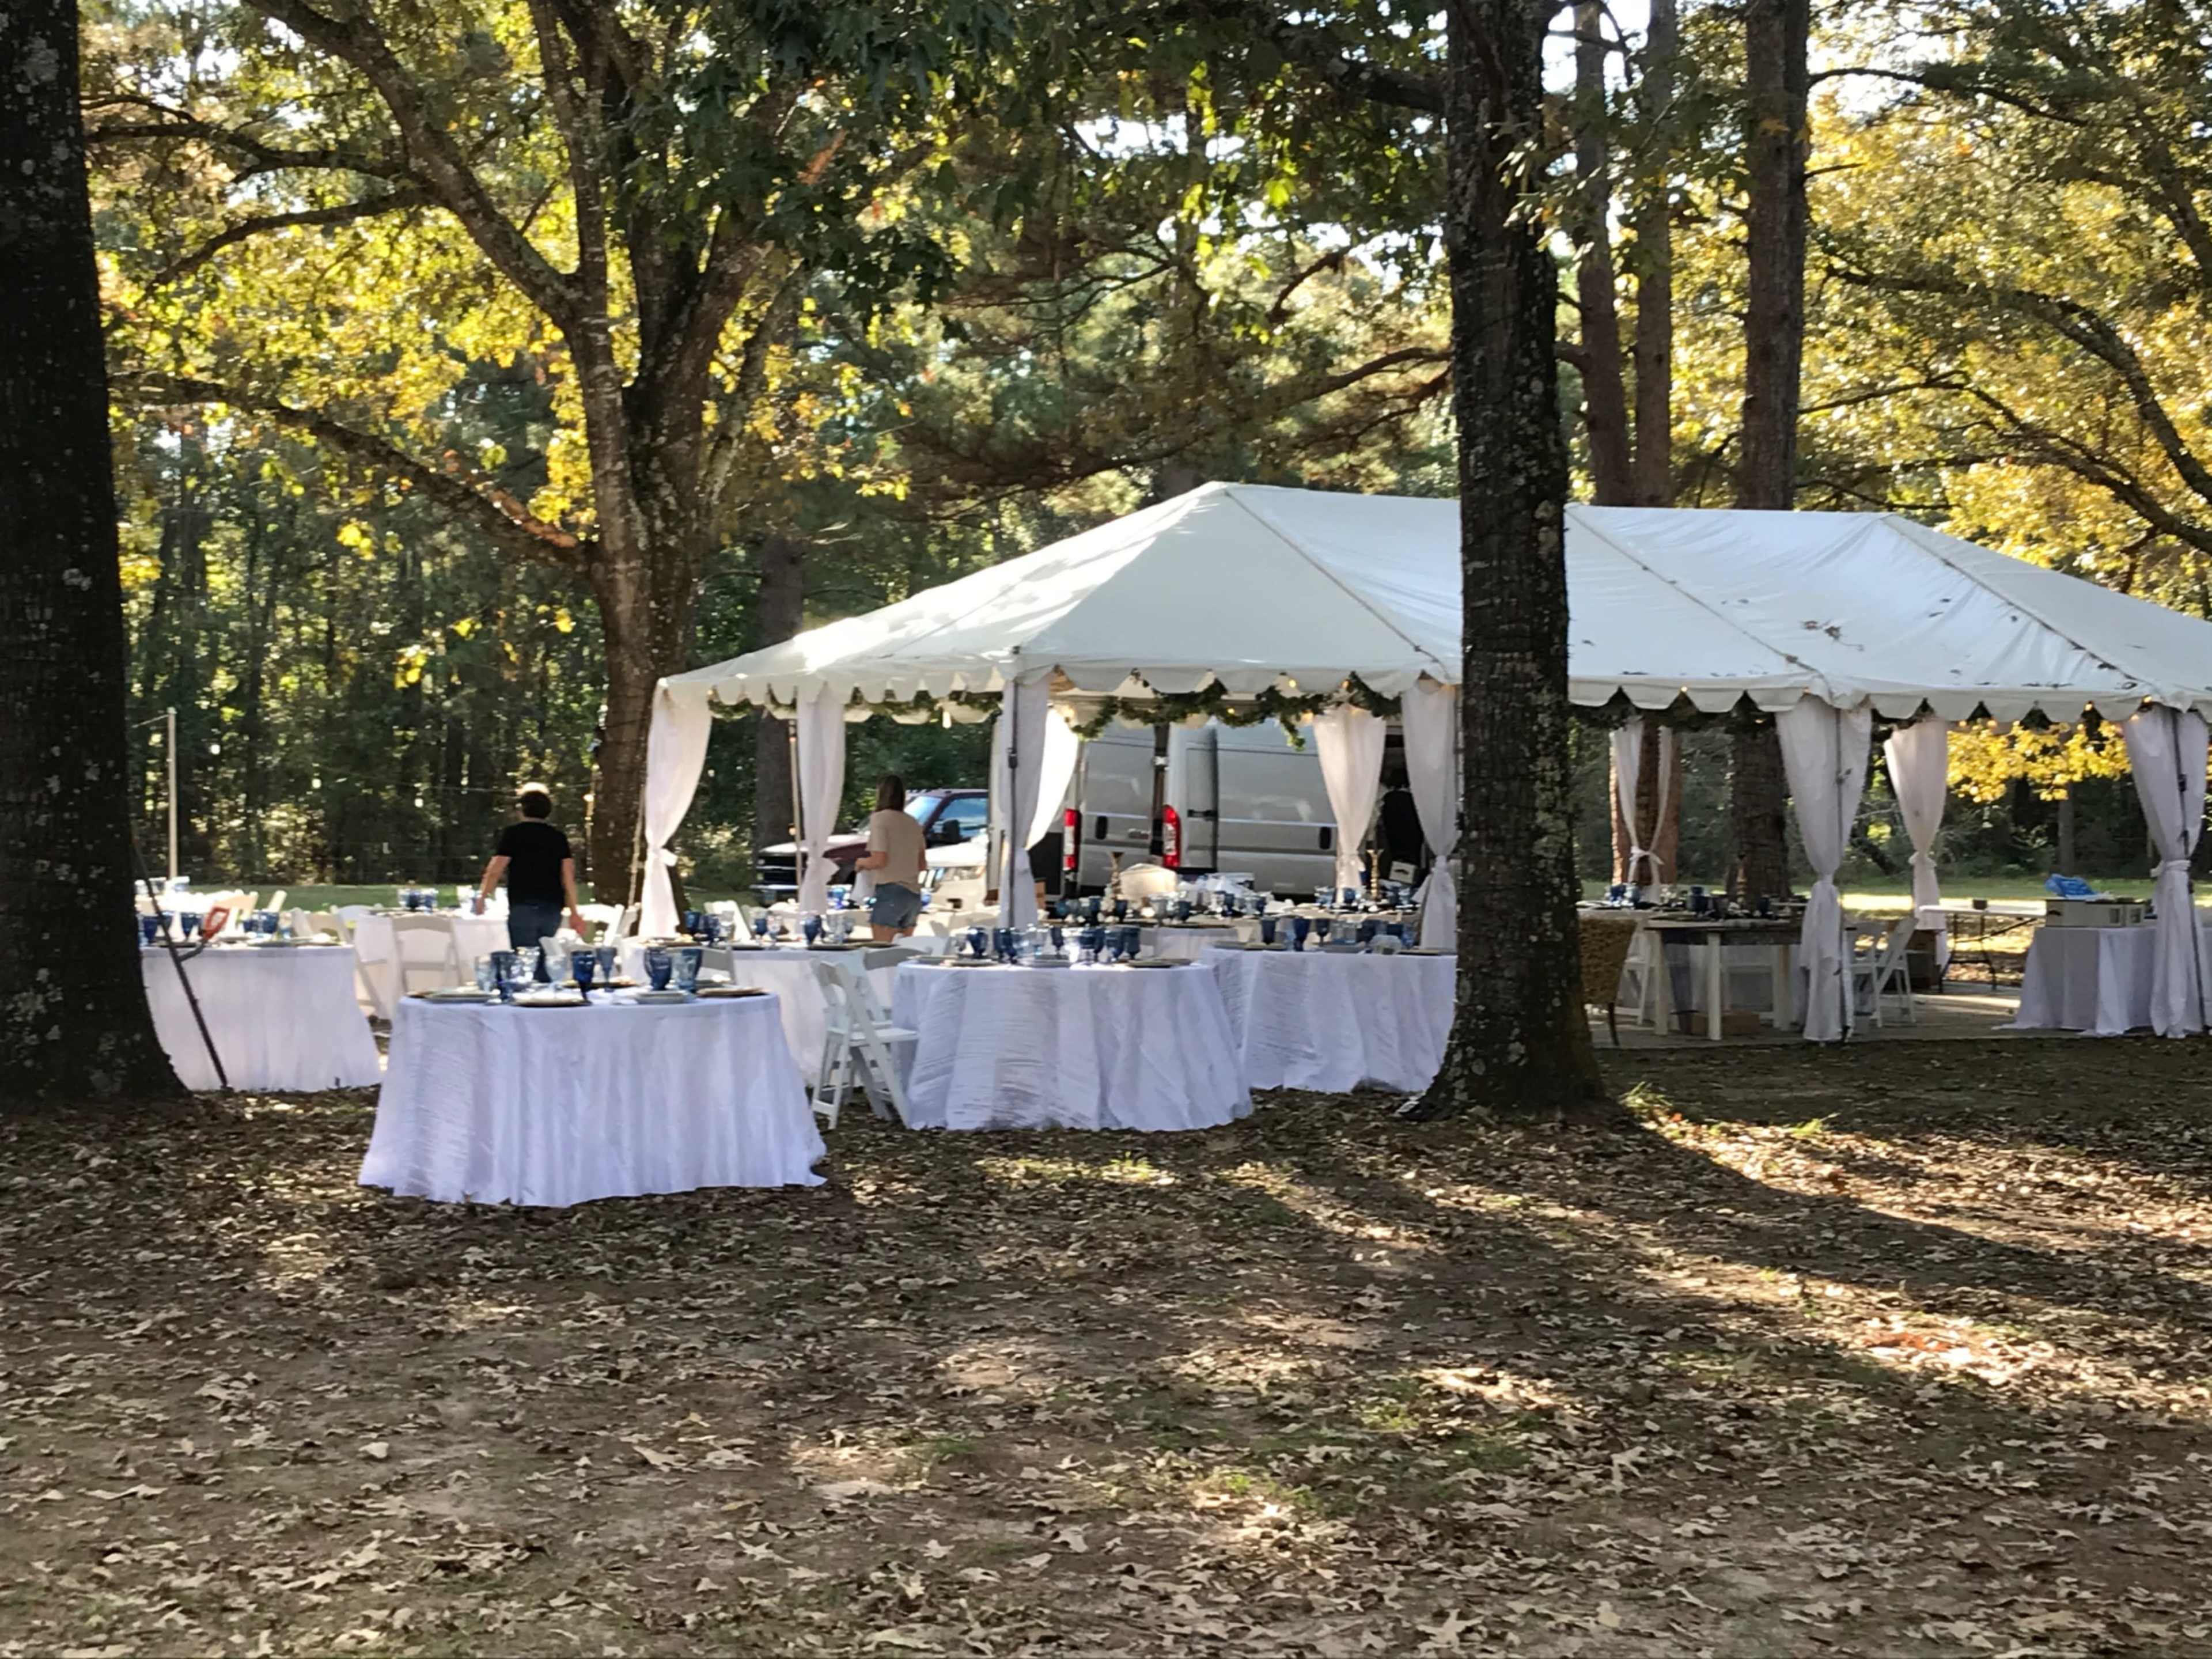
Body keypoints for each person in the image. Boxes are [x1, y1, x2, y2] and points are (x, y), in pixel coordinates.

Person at [477, 784, 588, 973]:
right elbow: (567, 876)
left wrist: (483, 896)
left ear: (522, 809)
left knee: (524, 960)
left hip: (523, 904)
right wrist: (574, 911)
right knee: (545, 957)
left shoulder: (513, 834)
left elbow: (495, 869)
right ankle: (545, 993)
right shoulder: (558, 837)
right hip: (552, 907)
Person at [854, 772, 927, 940]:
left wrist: (862, 862)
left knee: (882, 955)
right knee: (903, 953)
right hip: (913, 895)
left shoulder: (880, 819)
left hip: (891, 891)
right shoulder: (913, 823)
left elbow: (880, 860)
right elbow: (922, 864)